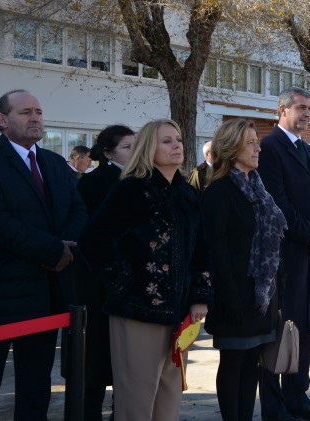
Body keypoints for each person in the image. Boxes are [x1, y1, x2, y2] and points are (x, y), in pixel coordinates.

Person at [79, 119, 213, 421]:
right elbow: (94, 240)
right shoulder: (131, 190)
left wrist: (200, 296)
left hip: (179, 314)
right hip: (137, 310)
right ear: (147, 148)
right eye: (166, 141)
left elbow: (202, 250)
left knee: (169, 397)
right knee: (137, 400)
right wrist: (124, 283)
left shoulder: (187, 194)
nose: (176, 145)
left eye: (178, 139)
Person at [0, 89, 87, 420]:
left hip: (46, 295)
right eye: (26, 111)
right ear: (2, 120)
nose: (36, 117)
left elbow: (77, 210)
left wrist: (63, 248)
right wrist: (51, 250)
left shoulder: (54, 163)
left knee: (35, 387)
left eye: (39, 111)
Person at [257, 87, 310, 421]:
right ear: (282, 109)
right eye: (301, 108)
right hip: (284, 256)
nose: (307, 114)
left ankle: (297, 396)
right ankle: (274, 406)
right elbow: (277, 203)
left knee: (302, 326)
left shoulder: (306, 149)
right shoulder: (269, 148)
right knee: (279, 329)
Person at [202, 119, 287, 421]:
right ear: (230, 147)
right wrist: (228, 298)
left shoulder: (258, 187)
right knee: (234, 362)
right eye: (250, 142)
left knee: (253, 363)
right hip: (234, 296)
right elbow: (215, 251)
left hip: (261, 295)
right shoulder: (219, 191)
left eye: (257, 141)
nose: (258, 147)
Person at [75, 124, 135, 420]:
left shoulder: (140, 179)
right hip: (102, 283)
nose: (134, 152)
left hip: (133, 283)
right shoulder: (94, 183)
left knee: (127, 362)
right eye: (127, 147)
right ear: (108, 152)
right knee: (97, 360)